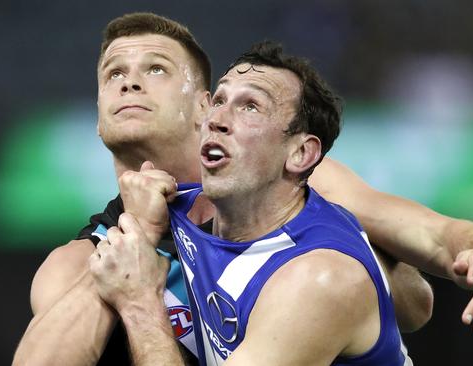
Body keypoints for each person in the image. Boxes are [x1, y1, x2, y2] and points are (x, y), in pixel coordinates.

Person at [12, 12, 473, 366]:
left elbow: (419, 293)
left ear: (202, 105)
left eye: (156, 70)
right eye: (114, 74)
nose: (129, 83)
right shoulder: (89, 256)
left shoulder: (307, 193)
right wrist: (139, 233)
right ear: (97, 118)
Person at [90, 41, 412, 365]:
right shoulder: (174, 208)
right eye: (219, 100)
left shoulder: (319, 277)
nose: (217, 119)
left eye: (250, 107)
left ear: (301, 154)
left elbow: (420, 297)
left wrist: (140, 302)